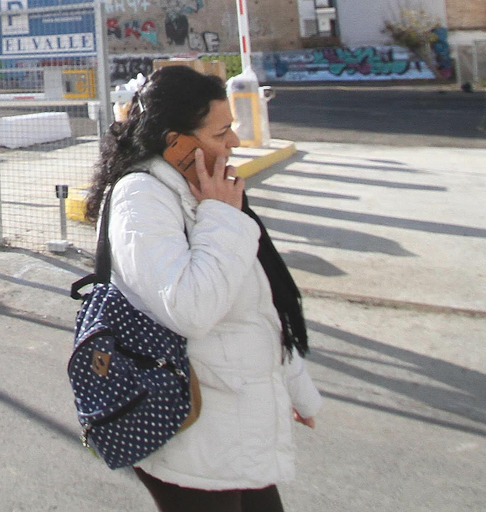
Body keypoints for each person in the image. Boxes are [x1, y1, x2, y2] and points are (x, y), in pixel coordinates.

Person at [85, 65, 320, 512]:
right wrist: (221, 217)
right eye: (221, 132)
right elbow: (191, 309)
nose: (235, 142)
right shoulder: (143, 199)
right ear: (176, 142)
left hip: (235, 421)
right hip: (189, 430)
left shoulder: (202, 190)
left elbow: (256, 311)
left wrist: (297, 390)